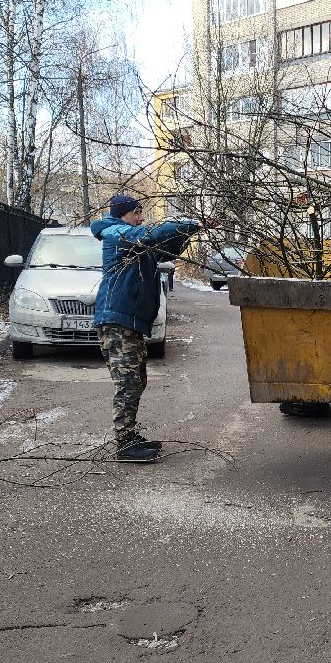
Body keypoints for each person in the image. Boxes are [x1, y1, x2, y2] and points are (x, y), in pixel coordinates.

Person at [90, 195, 208, 462]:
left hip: (129, 321)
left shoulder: (134, 242)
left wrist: (189, 231)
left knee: (137, 380)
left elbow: (165, 249)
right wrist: (190, 223)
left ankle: (129, 435)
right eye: (137, 213)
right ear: (123, 214)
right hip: (116, 320)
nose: (141, 218)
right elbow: (149, 234)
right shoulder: (116, 234)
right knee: (128, 382)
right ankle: (124, 444)